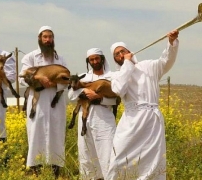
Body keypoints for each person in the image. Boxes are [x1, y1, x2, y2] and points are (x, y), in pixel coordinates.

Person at [106, 30, 179, 180]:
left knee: (152, 161)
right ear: (115, 59)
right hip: (131, 121)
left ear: (129, 51)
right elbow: (119, 89)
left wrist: (171, 43)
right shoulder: (116, 76)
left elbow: (166, 61)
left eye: (123, 51)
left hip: (151, 121)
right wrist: (127, 63)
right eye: (117, 54)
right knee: (118, 157)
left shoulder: (148, 66)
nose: (120, 54)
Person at [19, 26, 67, 178]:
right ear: (39, 39)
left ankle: (55, 172)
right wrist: (39, 78)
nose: (48, 40)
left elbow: (66, 81)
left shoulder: (60, 59)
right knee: (36, 135)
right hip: (37, 103)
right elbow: (22, 79)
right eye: (45, 37)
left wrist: (53, 84)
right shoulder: (30, 57)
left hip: (56, 103)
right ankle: (36, 172)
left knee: (56, 135)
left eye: (50, 37)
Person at [68, 48, 117, 180]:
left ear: (102, 59)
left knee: (106, 150)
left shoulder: (112, 76)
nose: (94, 61)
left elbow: (116, 99)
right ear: (88, 61)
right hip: (85, 117)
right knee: (86, 151)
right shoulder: (84, 77)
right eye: (91, 59)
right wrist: (85, 92)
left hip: (104, 117)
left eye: (97, 58)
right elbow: (71, 95)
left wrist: (98, 97)